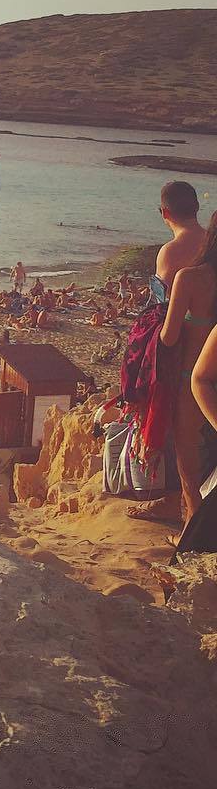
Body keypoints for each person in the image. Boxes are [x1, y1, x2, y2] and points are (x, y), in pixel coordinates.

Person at [161, 211, 217, 543]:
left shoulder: (191, 277)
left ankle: (191, 537)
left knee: (190, 467)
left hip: (193, 378)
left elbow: (168, 338)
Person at [156, 181, 207, 293]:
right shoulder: (213, 240)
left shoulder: (170, 251)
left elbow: (161, 298)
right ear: (197, 207)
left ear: (165, 213)